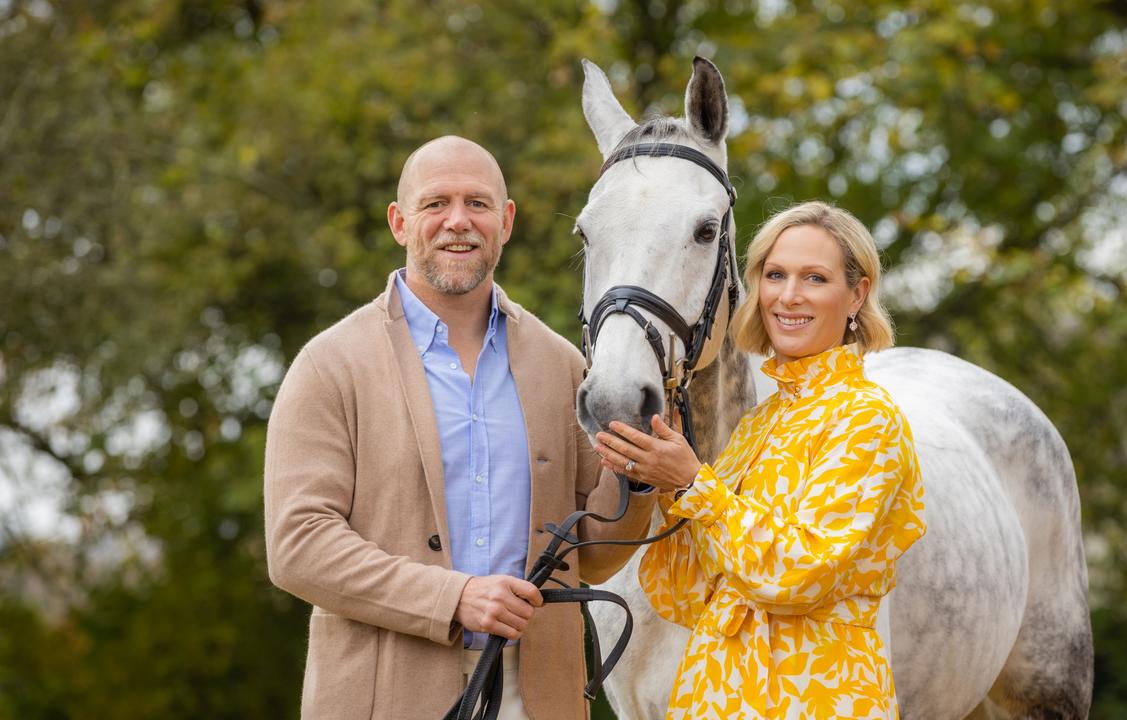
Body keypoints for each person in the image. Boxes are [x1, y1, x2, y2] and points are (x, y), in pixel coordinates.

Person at [264, 136, 656, 720]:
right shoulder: (330, 365)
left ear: (507, 220)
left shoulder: (564, 366)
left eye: (477, 203)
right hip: (384, 697)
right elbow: (298, 546)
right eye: (435, 204)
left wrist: (641, 480)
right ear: (400, 222)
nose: (458, 222)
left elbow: (592, 555)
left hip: (539, 697)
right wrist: (455, 598)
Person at [594, 201, 927, 719]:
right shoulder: (764, 420)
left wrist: (694, 483)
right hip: (719, 698)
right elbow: (688, 590)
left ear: (857, 294)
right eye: (775, 275)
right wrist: (661, 477)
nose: (788, 296)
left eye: (814, 278)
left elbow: (797, 574)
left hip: (815, 700)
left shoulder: (867, 418)